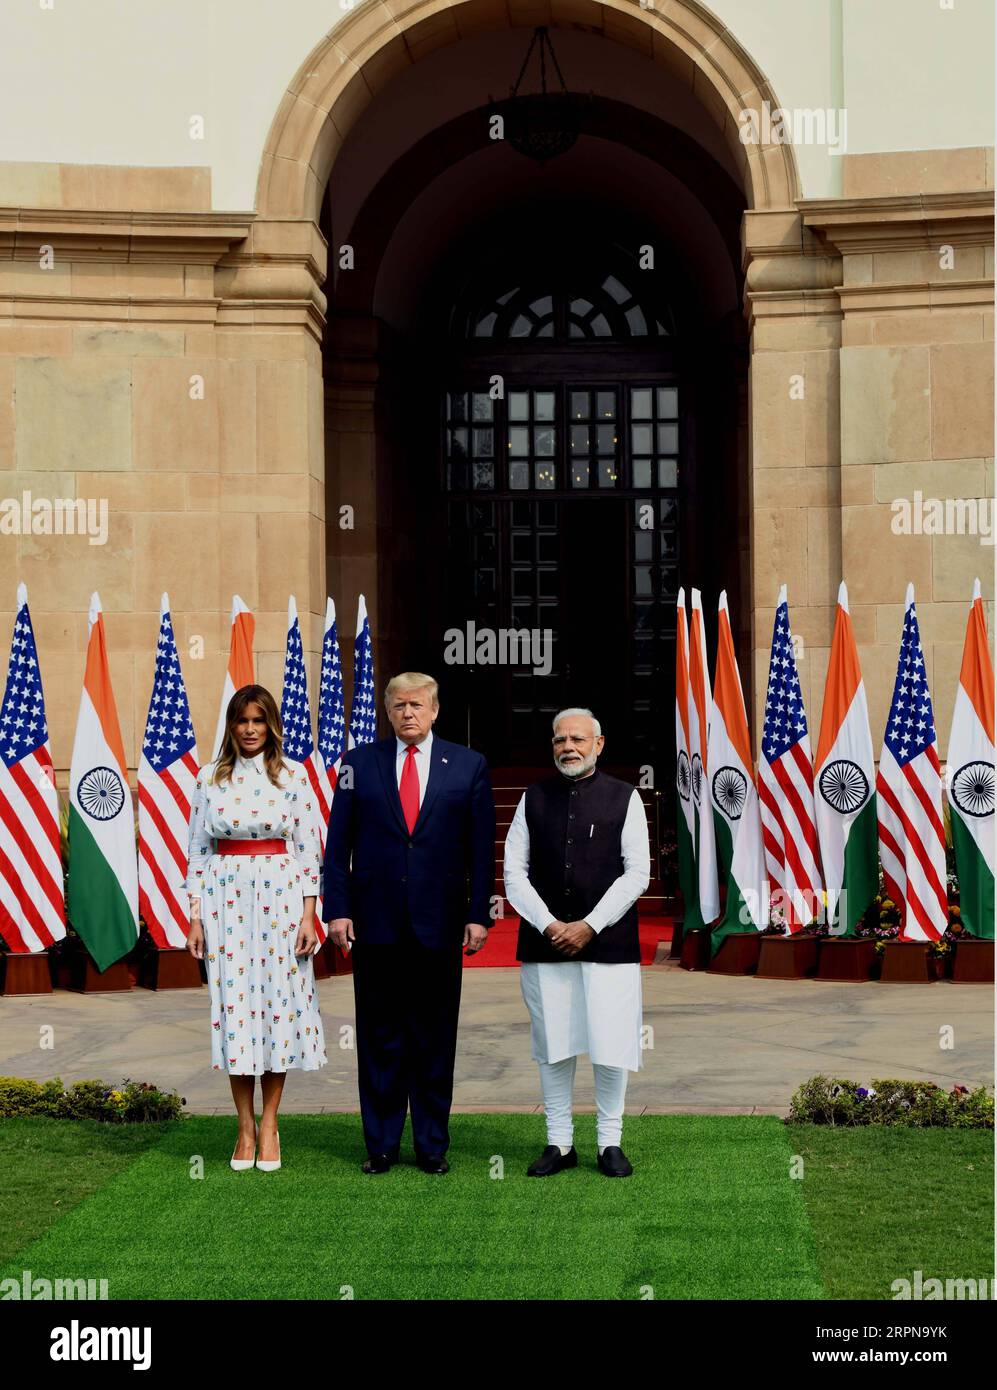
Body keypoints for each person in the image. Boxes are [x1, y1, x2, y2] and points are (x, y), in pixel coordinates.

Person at [323, 672, 495, 1175]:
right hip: (374, 926)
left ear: (435, 709)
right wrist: (338, 908)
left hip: (439, 925)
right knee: (379, 1037)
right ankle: (380, 1144)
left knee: (434, 1037)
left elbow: (480, 851)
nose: (408, 714)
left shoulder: (469, 766)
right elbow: (338, 848)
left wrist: (478, 913)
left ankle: (431, 1145)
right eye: (398, 706)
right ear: (387, 711)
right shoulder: (358, 765)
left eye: (417, 705)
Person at [503, 707, 650, 1178]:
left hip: (609, 946)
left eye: (578, 739)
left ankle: (610, 1142)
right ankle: (559, 1143)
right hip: (546, 945)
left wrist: (591, 924)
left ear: (598, 744)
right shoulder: (533, 797)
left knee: (611, 1044)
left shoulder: (626, 798)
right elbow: (513, 874)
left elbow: (638, 874)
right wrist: (549, 924)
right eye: (560, 739)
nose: (568, 747)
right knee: (554, 1045)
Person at [185, 684, 325, 1172]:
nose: (250, 730)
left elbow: (309, 850)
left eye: (259, 721)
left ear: (272, 726)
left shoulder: (294, 777)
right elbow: (198, 851)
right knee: (236, 1008)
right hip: (225, 901)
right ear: (231, 725)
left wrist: (309, 914)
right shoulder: (209, 779)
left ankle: (270, 1123)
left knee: (277, 1006)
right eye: (242, 721)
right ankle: (243, 1126)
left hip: (281, 898)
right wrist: (196, 917)